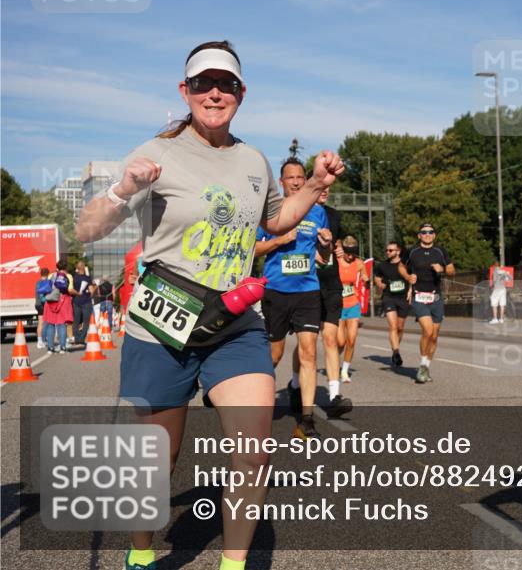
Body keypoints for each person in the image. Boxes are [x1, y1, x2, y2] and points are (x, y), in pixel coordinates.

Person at [75, 40, 344, 570]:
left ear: (241, 94)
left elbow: (275, 221)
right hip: (164, 324)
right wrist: (124, 188)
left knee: (252, 450)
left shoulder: (252, 159)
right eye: (202, 83)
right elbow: (87, 230)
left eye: (225, 84)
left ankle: (233, 565)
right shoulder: (156, 153)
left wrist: (313, 185)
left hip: (235, 321)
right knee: (159, 458)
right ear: (185, 91)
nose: (214, 93)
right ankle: (141, 552)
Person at [255, 157, 333, 440]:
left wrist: (326, 245)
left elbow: (323, 258)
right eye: (291, 178)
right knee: (274, 355)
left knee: (309, 351)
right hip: (276, 291)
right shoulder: (271, 212)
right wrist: (278, 240)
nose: (297, 182)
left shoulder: (317, 212)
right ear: (282, 182)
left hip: (307, 291)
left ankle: (307, 419)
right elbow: (251, 250)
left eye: (301, 177)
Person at [398, 223, 455, 384]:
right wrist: (408, 277)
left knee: (434, 337)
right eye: (424, 232)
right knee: (428, 331)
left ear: (434, 235)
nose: (427, 234)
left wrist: (442, 269)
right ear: (419, 235)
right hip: (418, 297)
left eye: (430, 232)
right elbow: (401, 267)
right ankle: (422, 366)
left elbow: (452, 270)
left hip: (436, 298)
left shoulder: (440, 251)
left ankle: (426, 367)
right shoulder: (412, 251)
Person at [313, 186, 352, 417]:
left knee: (330, 338)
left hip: (331, 284)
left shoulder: (335, 215)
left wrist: (338, 249)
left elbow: (339, 242)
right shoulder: (301, 213)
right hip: (307, 284)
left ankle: (334, 396)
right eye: (321, 186)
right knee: (307, 343)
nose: (325, 190)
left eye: (328, 187)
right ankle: (297, 385)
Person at [334, 235, 368, 383]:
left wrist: (365, 281)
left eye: (352, 251)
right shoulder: (336, 262)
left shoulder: (359, 263)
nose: (349, 255)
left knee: (352, 340)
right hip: (338, 306)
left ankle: (345, 371)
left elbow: (365, 277)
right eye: (347, 251)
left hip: (353, 304)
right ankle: (333, 361)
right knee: (340, 342)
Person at [373, 240, 410, 367]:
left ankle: (395, 347)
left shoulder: (405, 265)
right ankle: (396, 352)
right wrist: (380, 284)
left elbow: (412, 278)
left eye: (390, 250)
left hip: (403, 299)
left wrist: (411, 290)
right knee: (393, 326)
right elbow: (377, 277)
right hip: (389, 297)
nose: (387, 252)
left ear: (398, 251)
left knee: (400, 327)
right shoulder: (382, 265)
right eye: (387, 250)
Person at [42, 259, 74, 353]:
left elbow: (46, 288)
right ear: (66, 267)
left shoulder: (51, 275)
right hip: (63, 301)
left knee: (51, 324)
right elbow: (70, 289)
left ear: (57, 267)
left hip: (51, 301)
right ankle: (62, 347)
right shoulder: (68, 276)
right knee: (62, 324)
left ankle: (50, 348)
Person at [71, 260, 95, 345]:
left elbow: (71, 289)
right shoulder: (87, 278)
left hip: (76, 301)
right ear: (84, 268)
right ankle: (81, 339)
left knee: (76, 321)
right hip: (86, 301)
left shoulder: (74, 277)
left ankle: (76, 338)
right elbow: (92, 291)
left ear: (77, 268)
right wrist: (90, 294)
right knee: (86, 321)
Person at [34, 267, 50, 349]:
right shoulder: (46, 282)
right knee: (46, 323)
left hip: (37, 304)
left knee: (40, 323)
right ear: (47, 274)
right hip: (44, 305)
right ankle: (45, 339)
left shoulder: (38, 283)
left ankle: (39, 341)